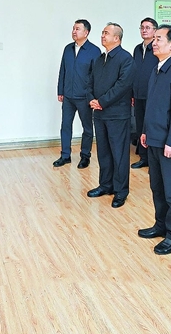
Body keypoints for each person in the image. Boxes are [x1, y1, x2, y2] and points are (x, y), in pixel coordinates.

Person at [138, 25, 171, 255]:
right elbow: (151, 105)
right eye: (154, 39)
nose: (154, 42)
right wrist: (145, 131)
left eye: (159, 39)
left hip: (170, 143)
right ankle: (161, 225)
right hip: (154, 138)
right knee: (157, 187)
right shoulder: (157, 69)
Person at [87, 24, 134, 208]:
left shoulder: (126, 58)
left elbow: (122, 86)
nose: (102, 36)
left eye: (106, 33)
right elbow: (90, 82)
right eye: (102, 33)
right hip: (99, 114)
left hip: (117, 115)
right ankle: (106, 185)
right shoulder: (100, 59)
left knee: (119, 154)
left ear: (117, 38)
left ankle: (121, 191)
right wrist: (92, 99)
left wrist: (102, 101)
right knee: (104, 152)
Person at [55, 19, 100, 168]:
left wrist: (92, 96)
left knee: (87, 127)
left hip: (84, 97)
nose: (74, 31)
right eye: (73, 29)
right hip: (68, 96)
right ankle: (65, 155)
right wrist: (60, 90)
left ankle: (85, 156)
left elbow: (96, 76)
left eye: (77, 29)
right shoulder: (68, 49)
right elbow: (63, 70)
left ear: (86, 32)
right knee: (65, 126)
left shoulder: (94, 51)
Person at [131, 17, 158, 170]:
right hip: (138, 94)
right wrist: (132, 93)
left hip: (152, 95)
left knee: (151, 126)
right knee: (140, 125)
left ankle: (153, 157)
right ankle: (143, 157)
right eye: (142, 27)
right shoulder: (137, 49)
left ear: (155, 30)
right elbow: (134, 72)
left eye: (148, 27)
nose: (144, 30)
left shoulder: (157, 48)